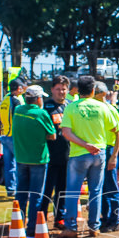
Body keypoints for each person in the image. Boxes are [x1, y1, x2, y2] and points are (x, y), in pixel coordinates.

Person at [57, 75, 119, 238]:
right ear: (93, 90)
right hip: (99, 153)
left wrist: (84, 144)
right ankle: (94, 226)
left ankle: (71, 227)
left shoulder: (71, 107)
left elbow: (66, 132)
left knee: (73, 192)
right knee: (96, 191)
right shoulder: (102, 108)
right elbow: (116, 130)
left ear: (78, 90)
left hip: (78, 154)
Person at [12, 85, 57, 233]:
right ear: (38, 99)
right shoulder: (41, 113)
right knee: (36, 195)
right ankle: (32, 228)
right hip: (38, 158)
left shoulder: (18, 111)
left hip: (21, 157)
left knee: (21, 193)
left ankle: (18, 225)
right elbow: (52, 135)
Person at [39, 76, 71, 227]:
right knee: (47, 189)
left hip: (67, 155)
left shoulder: (71, 107)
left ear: (68, 90)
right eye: (58, 89)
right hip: (50, 156)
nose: (61, 92)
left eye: (64, 89)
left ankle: (59, 217)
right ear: (52, 90)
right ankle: (41, 218)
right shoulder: (46, 108)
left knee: (62, 189)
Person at [93, 82, 119, 233]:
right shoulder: (95, 108)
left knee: (110, 187)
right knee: (103, 187)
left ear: (102, 94)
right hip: (99, 148)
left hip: (109, 148)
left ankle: (114, 220)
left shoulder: (109, 109)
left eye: (95, 92)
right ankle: (105, 218)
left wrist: (114, 156)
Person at [0, 78, 28, 196]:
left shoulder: (5, 99)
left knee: (9, 164)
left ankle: (10, 189)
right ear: (19, 88)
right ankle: (20, 188)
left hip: (4, 134)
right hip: (14, 136)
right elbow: (20, 119)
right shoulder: (17, 101)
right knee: (19, 163)